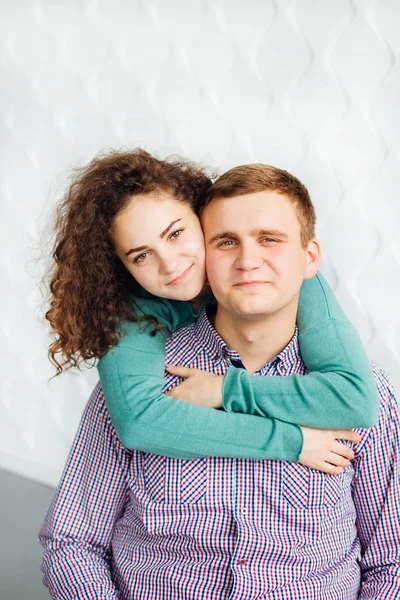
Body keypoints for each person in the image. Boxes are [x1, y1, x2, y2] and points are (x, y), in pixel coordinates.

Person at [39, 163, 400, 599]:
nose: (249, 261)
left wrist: (227, 392)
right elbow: (72, 542)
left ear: (309, 258)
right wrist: (293, 441)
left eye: (270, 239)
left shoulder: (363, 390)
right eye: (226, 242)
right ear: (208, 252)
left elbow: (392, 562)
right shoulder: (142, 380)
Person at [44, 149, 378, 472]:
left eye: (176, 234)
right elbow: (139, 422)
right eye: (141, 255)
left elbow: (355, 400)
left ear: (202, 219)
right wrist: (293, 441)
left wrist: (225, 389)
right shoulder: (135, 310)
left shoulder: (287, 277)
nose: (170, 264)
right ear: (121, 267)